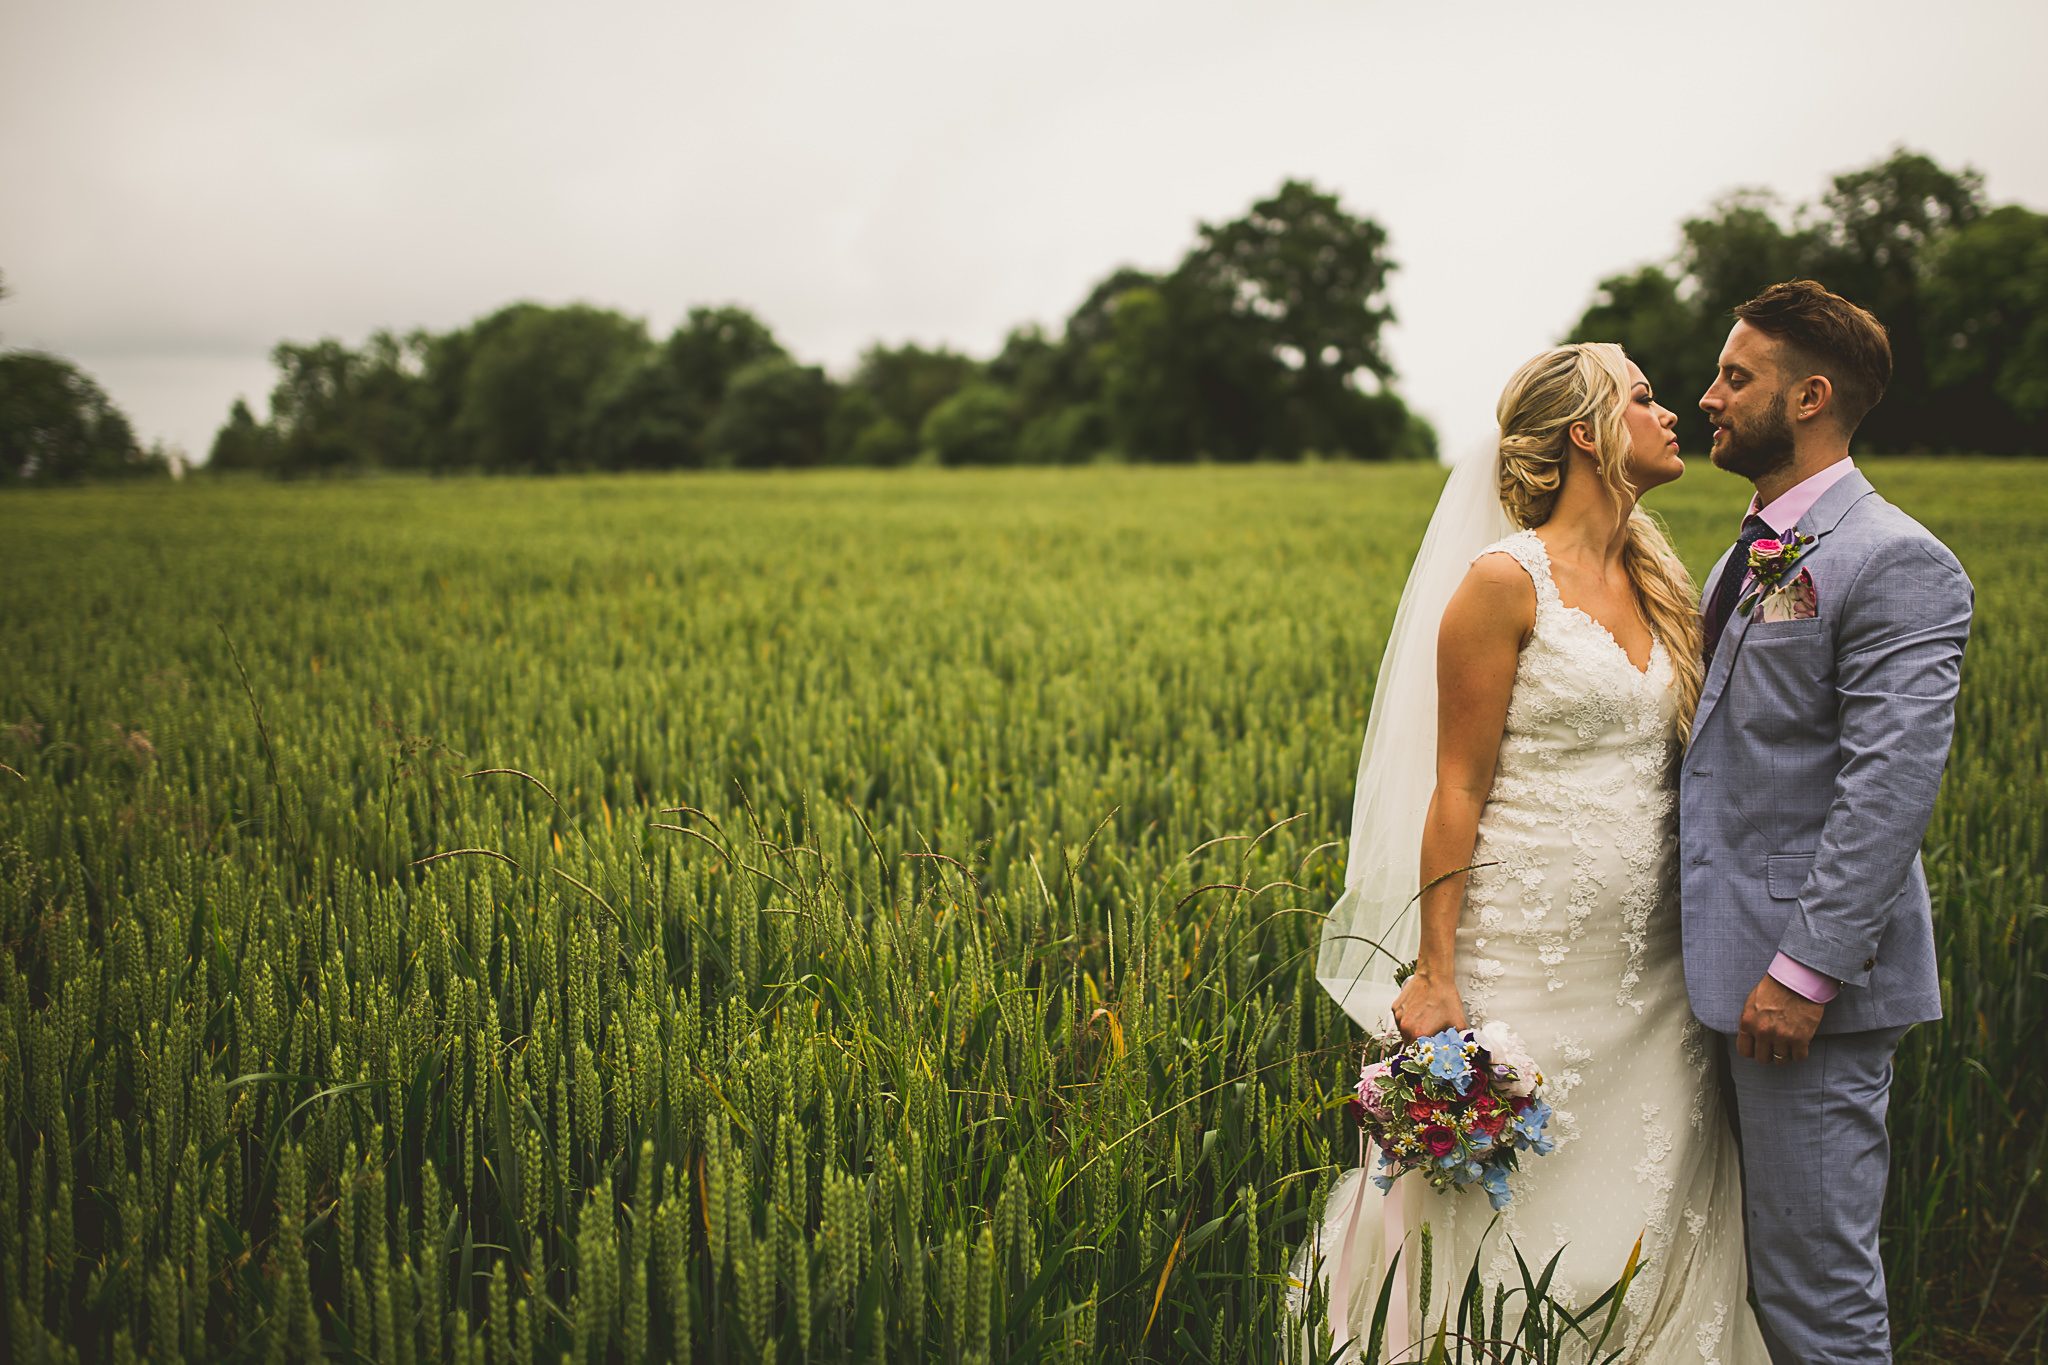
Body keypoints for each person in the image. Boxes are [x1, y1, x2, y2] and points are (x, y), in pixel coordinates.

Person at [1296, 343, 1768, 1362]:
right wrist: (1431, 971)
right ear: (1582, 434)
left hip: (1652, 970)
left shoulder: (1660, 580)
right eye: (1641, 397)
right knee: (1506, 1205)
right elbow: (1454, 786)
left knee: (1647, 1192)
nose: (1671, 410)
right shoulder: (1502, 583)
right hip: (1521, 957)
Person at [1683, 280, 1972, 1363]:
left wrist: (1801, 975)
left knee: (1814, 1290)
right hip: (1714, 972)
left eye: (1733, 376)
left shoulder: (1893, 559)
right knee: (1750, 1274)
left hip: (1799, 998)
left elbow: (1886, 788)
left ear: (1807, 397)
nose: (1707, 396)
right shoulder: (1744, 552)